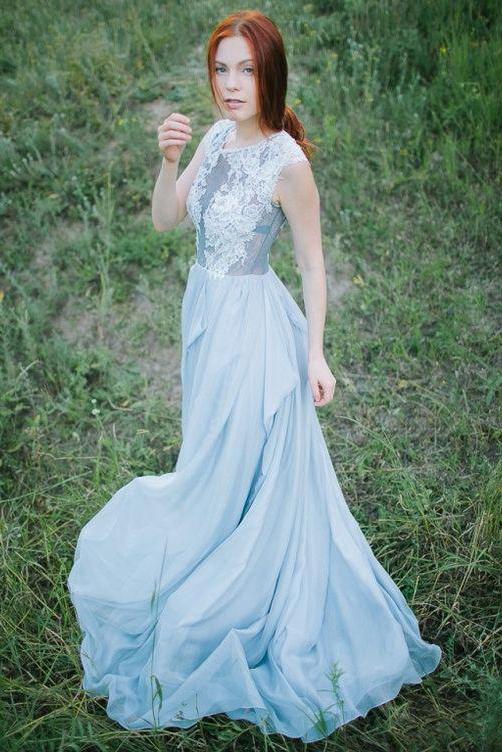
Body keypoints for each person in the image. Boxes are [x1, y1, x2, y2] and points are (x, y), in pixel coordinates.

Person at [67, 10, 442, 743]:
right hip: (206, 320)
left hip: (254, 331)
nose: (231, 84)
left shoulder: (287, 163)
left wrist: (316, 354)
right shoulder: (213, 138)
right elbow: (166, 221)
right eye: (221, 68)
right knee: (211, 457)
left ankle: (244, 581)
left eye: (246, 69)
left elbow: (312, 265)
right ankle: (214, 538)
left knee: (244, 458)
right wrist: (169, 161)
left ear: (271, 75)